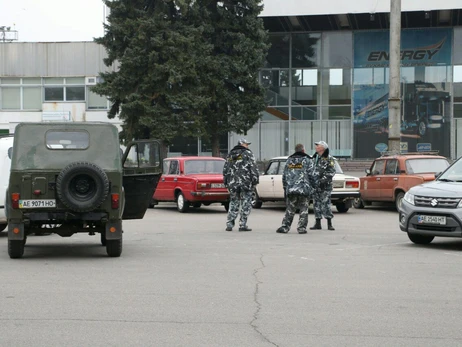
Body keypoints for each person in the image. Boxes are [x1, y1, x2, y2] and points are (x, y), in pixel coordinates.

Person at [276, 144, 314, 234]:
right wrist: (313, 187)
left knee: (290, 209)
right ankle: (301, 228)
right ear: (303, 150)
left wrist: (285, 188)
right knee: (304, 209)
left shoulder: (289, 160)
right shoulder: (307, 160)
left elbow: (284, 175)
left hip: (291, 188)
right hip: (303, 189)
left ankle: (285, 227)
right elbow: (312, 175)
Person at [223, 138, 259, 232]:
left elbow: (225, 169)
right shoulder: (248, 154)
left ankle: (229, 224)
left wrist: (226, 182)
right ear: (242, 144)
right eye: (246, 144)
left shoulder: (230, 154)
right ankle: (242, 224)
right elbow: (253, 168)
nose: (247, 146)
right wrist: (255, 181)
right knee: (245, 203)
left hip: (233, 183)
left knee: (233, 203)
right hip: (245, 183)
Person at [310, 141, 336, 231]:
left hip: (325, 186)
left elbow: (332, 171)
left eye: (318, 145)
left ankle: (329, 223)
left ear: (323, 148)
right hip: (315, 186)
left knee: (326, 203)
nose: (316, 147)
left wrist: (323, 180)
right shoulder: (314, 157)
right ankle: (317, 223)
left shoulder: (329, 158)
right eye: (316, 145)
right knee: (316, 204)